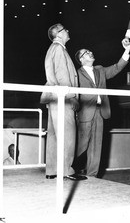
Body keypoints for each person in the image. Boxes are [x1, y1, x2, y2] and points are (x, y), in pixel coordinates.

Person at [73, 42, 130, 177]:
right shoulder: (76, 74)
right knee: (80, 146)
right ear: (81, 59)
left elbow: (117, 68)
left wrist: (127, 51)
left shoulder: (100, 70)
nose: (90, 53)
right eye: (86, 52)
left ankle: (92, 175)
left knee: (96, 146)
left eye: (90, 51)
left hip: (100, 112)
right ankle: (67, 168)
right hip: (85, 113)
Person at [40, 23, 86, 181]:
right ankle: (67, 170)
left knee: (54, 134)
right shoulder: (59, 49)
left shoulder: (52, 49)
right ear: (58, 35)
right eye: (64, 29)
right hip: (63, 97)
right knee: (67, 133)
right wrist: (71, 95)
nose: (68, 30)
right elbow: (62, 76)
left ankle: (52, 169)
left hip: (53, 97)